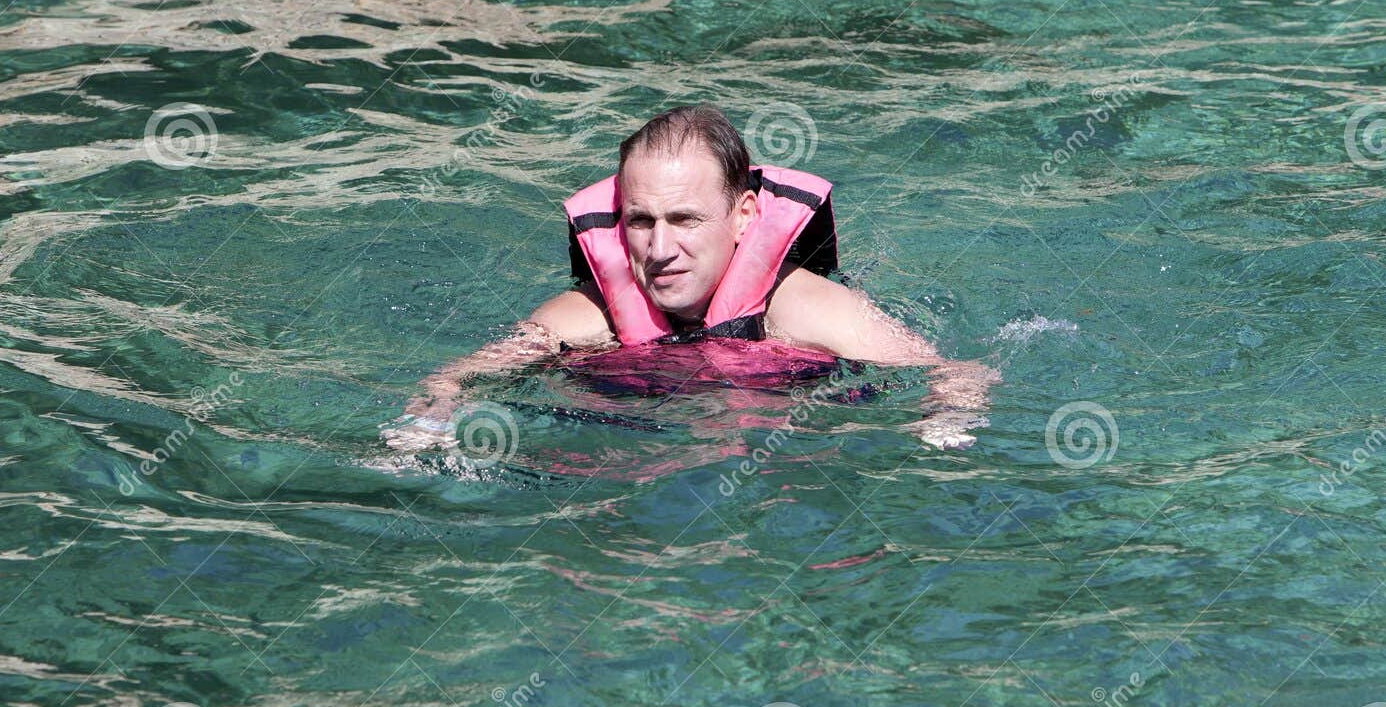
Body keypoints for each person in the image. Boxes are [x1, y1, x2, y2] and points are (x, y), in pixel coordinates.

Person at [386, 104, 998, 452]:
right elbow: (457, 377)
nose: (659, 248)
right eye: (640, 221)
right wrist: (432, 417)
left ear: (744, 215)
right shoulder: (589, 316)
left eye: (684, 220)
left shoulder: (805, 309)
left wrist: (944, 428)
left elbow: (957, 373)